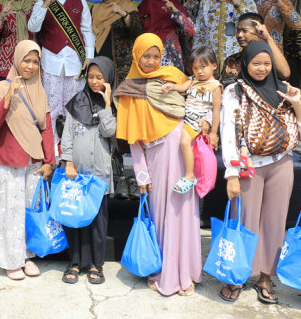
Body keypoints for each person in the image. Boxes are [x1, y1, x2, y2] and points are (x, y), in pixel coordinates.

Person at [220, 41, 301, 304]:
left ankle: (265, 277)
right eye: (256, 63)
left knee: (275, 222)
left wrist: (296, 103)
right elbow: (228, 132)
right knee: (244, 220)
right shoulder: (234, 91)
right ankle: (237, 276)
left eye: (266, 63)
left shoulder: (287, 90)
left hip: (281, 163)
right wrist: (232, 173)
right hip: (248, 166)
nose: (261, 68)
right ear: (246, 64)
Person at [115, 33, 201, 296]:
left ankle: (183, 274)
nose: (151, 61)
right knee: (162, 213)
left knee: (182, 209)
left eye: (156, 56)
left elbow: (197, 93)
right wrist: (141, 175)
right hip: (154, 154)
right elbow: (133, 138)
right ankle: (167, 272)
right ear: (136, 55)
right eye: (146, 56)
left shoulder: (173, 75)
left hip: (179, 145)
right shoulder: (129, 87)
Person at [0, 40, 54, 280]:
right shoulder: (2, 87)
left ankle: (25, 257)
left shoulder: (39, 88)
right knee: (9, 211)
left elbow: (46, 127)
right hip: (9, 158)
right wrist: (7, 100)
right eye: (27, 60)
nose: (31, 66)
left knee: (28, 211)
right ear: (17, 60)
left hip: (34, 162)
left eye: (36, 62)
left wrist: (49, 161)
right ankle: (9, 260)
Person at [28, 0, 95, 151]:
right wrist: (46, 4)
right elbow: (33, 27)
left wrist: (89, 55)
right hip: (51, 61)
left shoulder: (79, 0)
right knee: (51, 106)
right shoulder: (43, 0)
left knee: (74, 106)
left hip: (74, 61)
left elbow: (86, 30)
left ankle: (72, 145)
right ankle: (52, 144)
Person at [61, 57, 116, 285]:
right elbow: (67, 135)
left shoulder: (112, 106)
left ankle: (96, 264)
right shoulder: (77, 103)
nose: (94, 82)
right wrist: (68, 162)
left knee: (97, 222)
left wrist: (106, 105)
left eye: (99, 78)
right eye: (91, 77)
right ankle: (75, 262)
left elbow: (109, 130)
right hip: (77, 174)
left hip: (99, 175)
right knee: (75, 219)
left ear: (108, 80)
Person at [162, 47, 222, 193]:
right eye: (195, 68)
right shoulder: (193, 80)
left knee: (184, 141)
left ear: (214, 66)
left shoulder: (215, 87)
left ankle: (189, 176)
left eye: (203, 66)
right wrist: (171, 86)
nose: (199, 71)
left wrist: (214, 132)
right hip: (186, 116)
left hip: (197, 120)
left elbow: (216, 111)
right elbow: (182, 87)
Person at [194, 0, 257, 70]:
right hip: (210, 63)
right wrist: (196, 59)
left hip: (238, 61)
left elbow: (255, 24)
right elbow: (199, 33)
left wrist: (238, 5)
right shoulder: (206, 2)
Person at [138, 0, 195, 72]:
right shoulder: (144, 7)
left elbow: (192, 31)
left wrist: (175, 11)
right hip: (148, 59)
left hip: (171, 59)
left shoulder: (175, 5)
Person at [92, 0, 142, 83]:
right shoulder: (95, 9)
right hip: (98, 65)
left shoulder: (129, 8)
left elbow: (136, 31)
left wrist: (123, 13)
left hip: (120, 68)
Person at [220, 13, 291, 87]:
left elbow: (284, 74)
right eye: (238, 30)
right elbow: (223, 86)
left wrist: (268, 38)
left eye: (245, 31)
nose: (239, 35)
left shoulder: (268, 59)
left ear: (258, 32)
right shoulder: (231, 60)